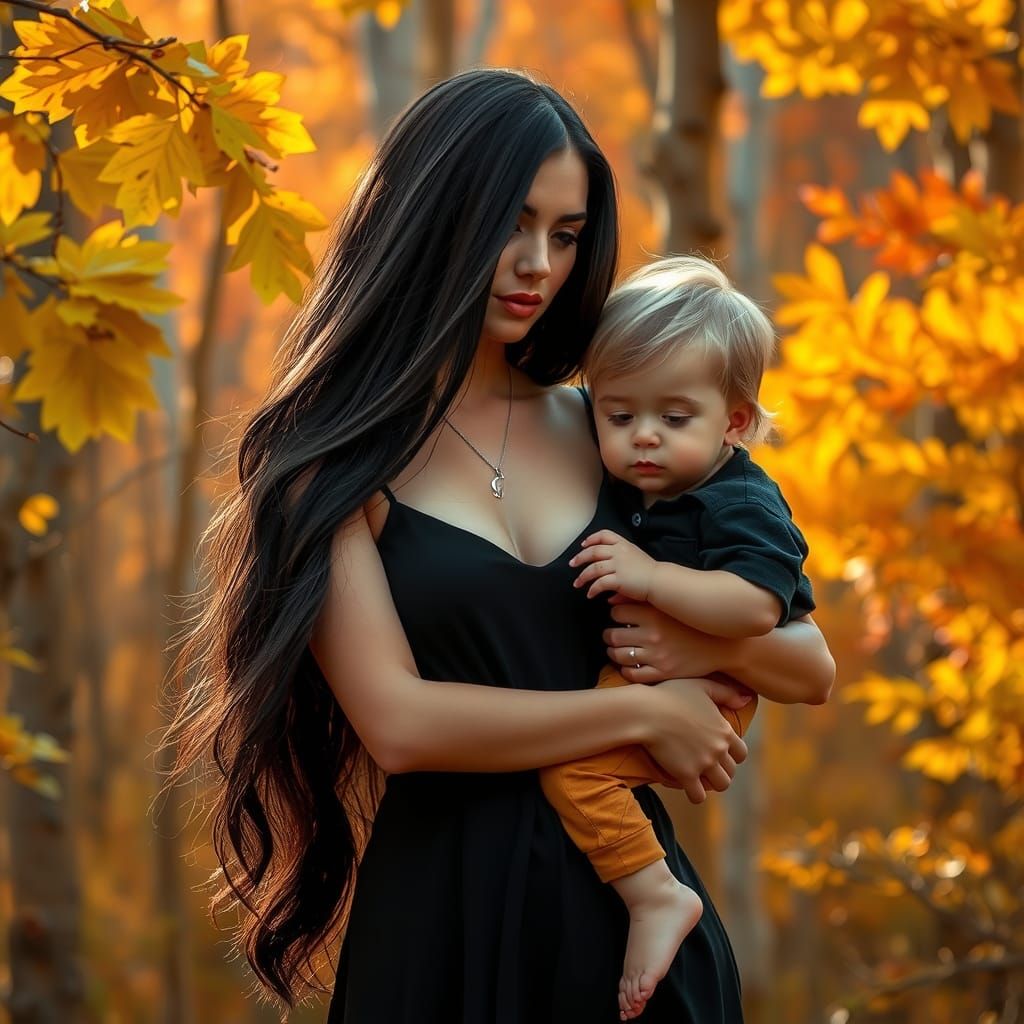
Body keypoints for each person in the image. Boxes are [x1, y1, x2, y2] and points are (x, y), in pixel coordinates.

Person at [165, 69, 835, 1024]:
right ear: (431, 215)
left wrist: (696, 660)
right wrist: (639, 719)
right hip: (441, 936)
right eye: (511, 224)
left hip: (637, 937)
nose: (539, 265)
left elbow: (807, 663)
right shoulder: (327, 460)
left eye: (565, 235)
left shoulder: (618, 432)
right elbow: (401, 725)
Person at [538, 255, 817, 1019]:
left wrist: (654, 583)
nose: (644, 440)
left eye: (674, 418)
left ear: (733, 421)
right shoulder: (642, 485)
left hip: (703, 693)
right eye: (620, 418)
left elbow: (760, 606)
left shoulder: (738, 502)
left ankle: (657, 894)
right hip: (651, 682)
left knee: (573, 774)